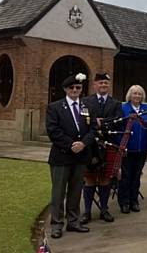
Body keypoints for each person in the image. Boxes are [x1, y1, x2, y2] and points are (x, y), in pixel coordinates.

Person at [46, 73, 94, 239]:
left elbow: (93, 129)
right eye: (72, 87)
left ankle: (73, 221)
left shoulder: (86, 107)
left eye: (78, 88)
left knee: (75, 191)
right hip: (62, 156)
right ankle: (57, 224)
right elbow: (53, 131)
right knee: (59, 192)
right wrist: (70, 145)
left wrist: (83, 144)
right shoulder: (55, 107)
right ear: (66, 89)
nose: (75, 90)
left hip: (81, 156)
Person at [80, 72, 122, 224]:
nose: (103, 85)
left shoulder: (116, 103)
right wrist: (98, 122)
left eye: (106, 83)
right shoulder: (85, 101)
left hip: (109, 144)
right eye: (100, 83)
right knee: (89, 179)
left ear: (109, 85)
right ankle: (87, 212)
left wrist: (100, 122)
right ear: (95, 85)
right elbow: (83, 120)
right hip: (91, 146)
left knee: (105, 179)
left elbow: (118, 121)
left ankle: (104, 210)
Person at [117, 85, 147, 214]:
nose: (137, 96)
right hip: (127, 148)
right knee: (126, 177)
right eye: (135, 94)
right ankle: (124, 202)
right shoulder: (123, 108)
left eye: (139, 94)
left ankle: (134, 201)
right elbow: (120, 128)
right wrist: (122, 146)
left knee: (136, 176)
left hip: (142, 149)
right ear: (130, 95)